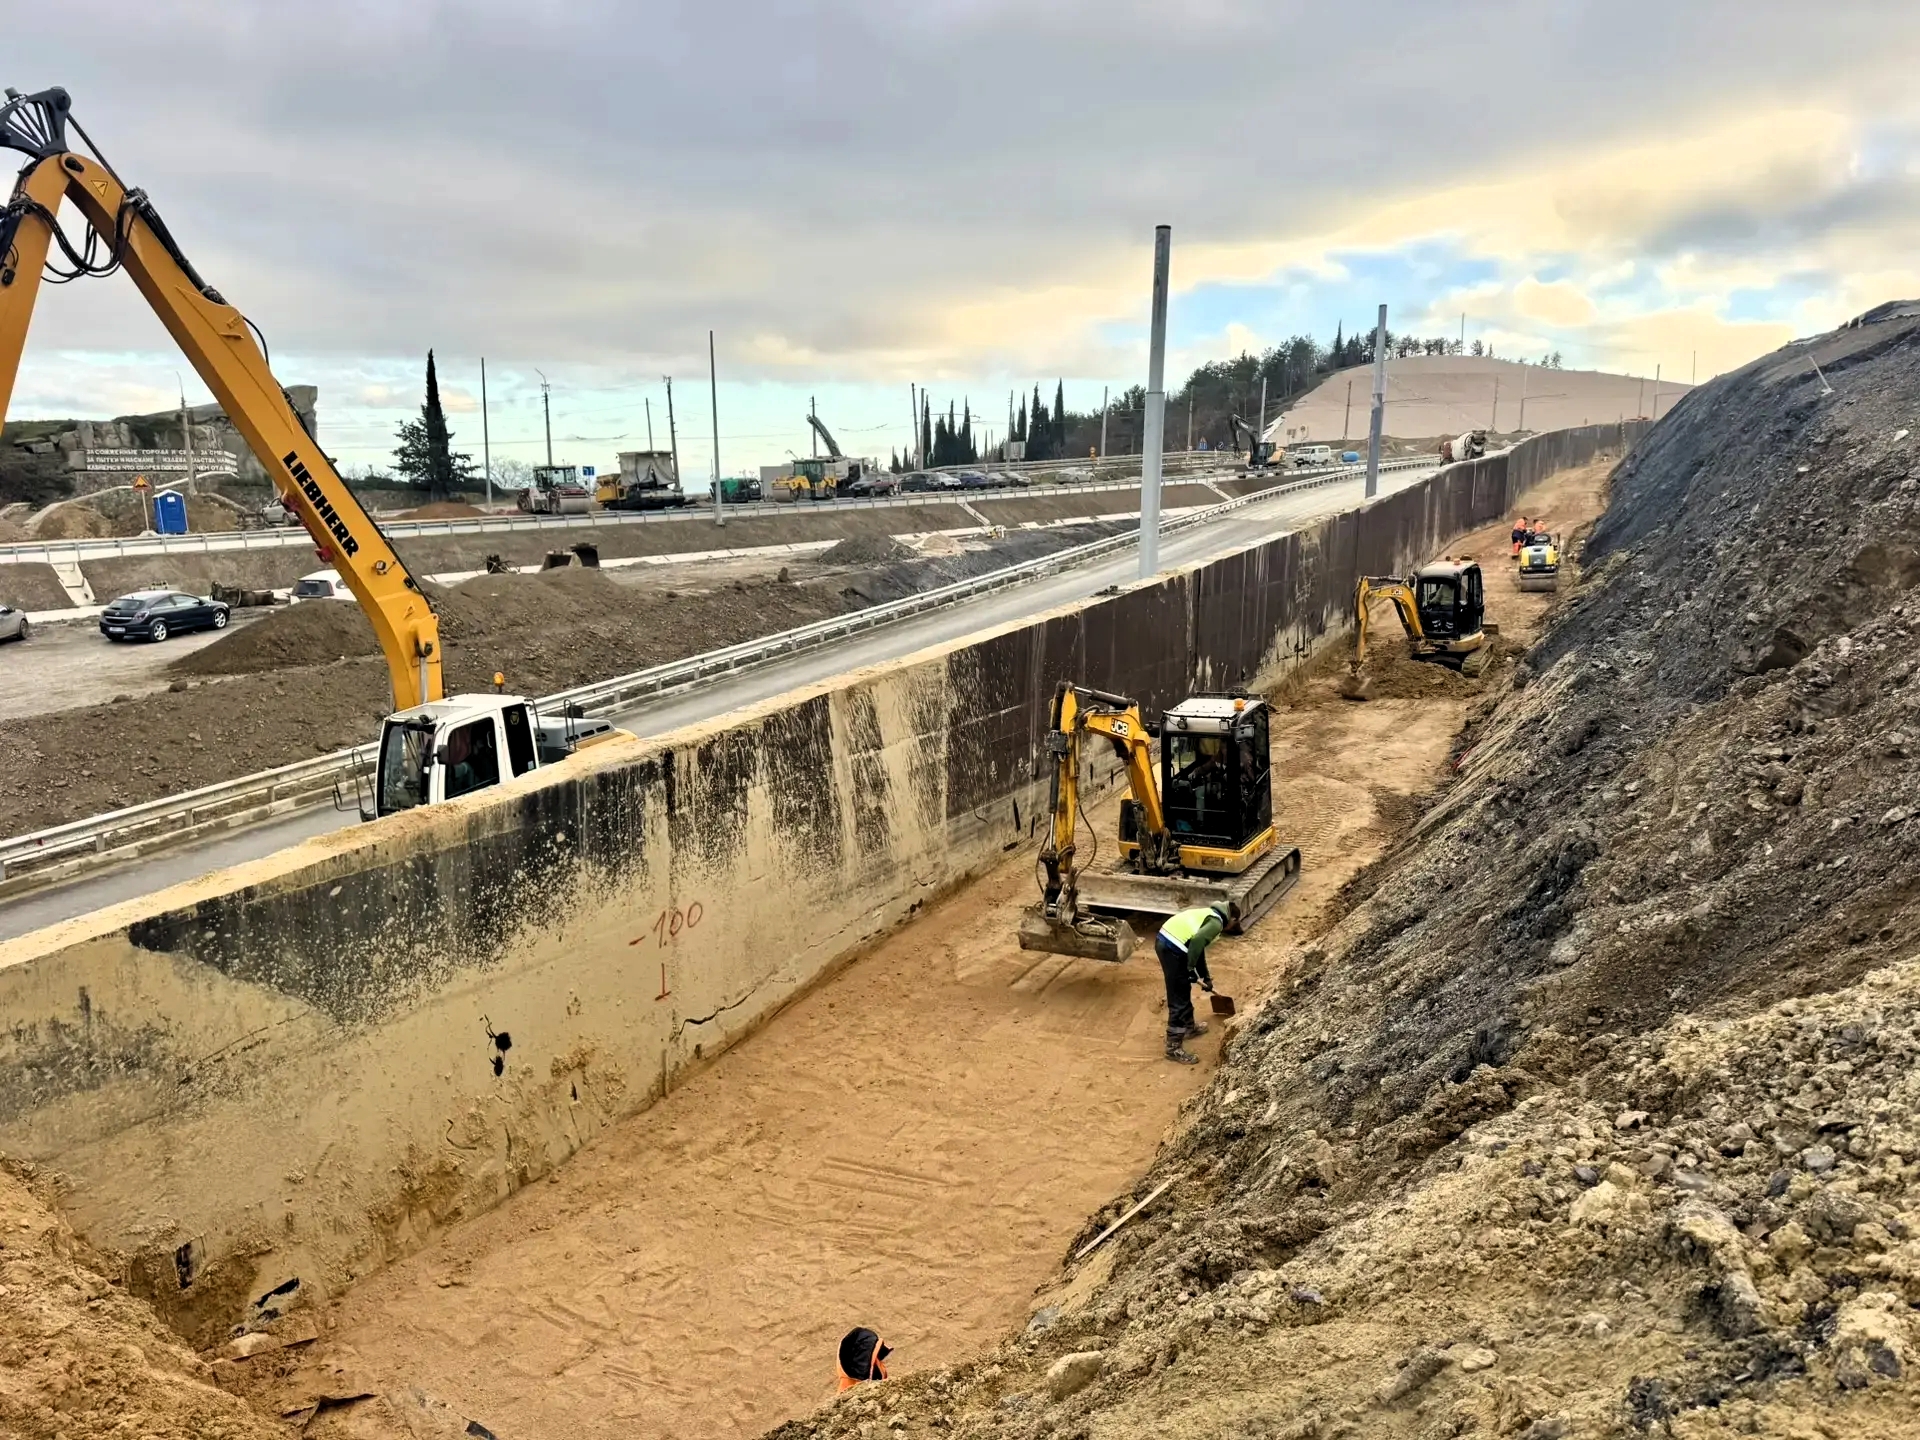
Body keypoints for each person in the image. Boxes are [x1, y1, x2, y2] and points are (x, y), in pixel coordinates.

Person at [1156, 902, 1231, 1064]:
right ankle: (1173, 1048)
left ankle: (1189, 1028)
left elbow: (1198, 948)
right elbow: (1197, 942)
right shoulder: (1217, 923)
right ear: (1233, 919)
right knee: (1178, 997)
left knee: (1183, 989)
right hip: (1171, 948)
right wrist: (1190, 969)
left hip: (1170, 943)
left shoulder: (1208, 914)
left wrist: (1205, 977)